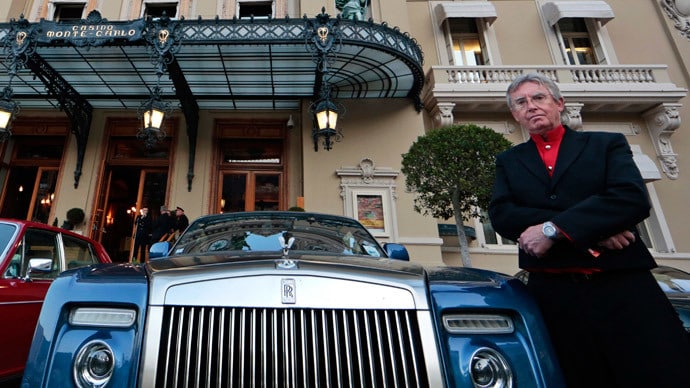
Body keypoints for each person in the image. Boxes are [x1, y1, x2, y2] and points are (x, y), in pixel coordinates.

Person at [488, 72, 690, 387]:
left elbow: (630, 198)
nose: (531, 106)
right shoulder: (508, 161)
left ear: (559, 103)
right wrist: (594, 227)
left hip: (623, 285)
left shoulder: (606, 144)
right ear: (514, 114)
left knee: (659, 373)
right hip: (555, 294)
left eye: (539, 98)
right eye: (521, 103)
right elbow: (503, 215)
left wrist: (554, 229)